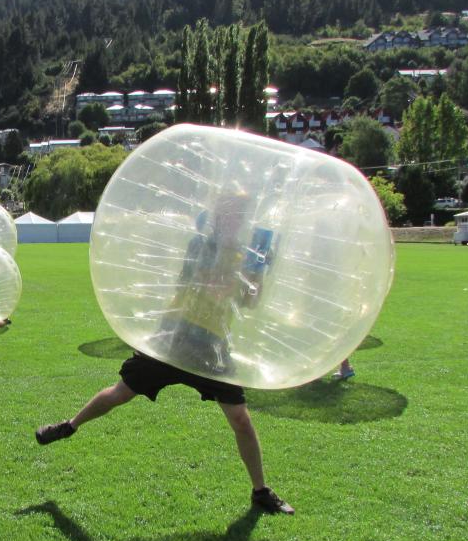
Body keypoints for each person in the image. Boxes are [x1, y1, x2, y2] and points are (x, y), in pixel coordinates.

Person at [34, 193, 293, 516]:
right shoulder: (201, 245)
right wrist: (220, 283)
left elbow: (248, 304)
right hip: (177, 336)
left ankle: (261, 491)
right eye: (230, 214)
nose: (235, 220)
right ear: (219, 216)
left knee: (241, 419)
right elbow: (190, 281)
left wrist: (257, 276)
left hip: (212, 345)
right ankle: (69, 426)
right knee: (120, 393)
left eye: (240, 215)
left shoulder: (246, 254)